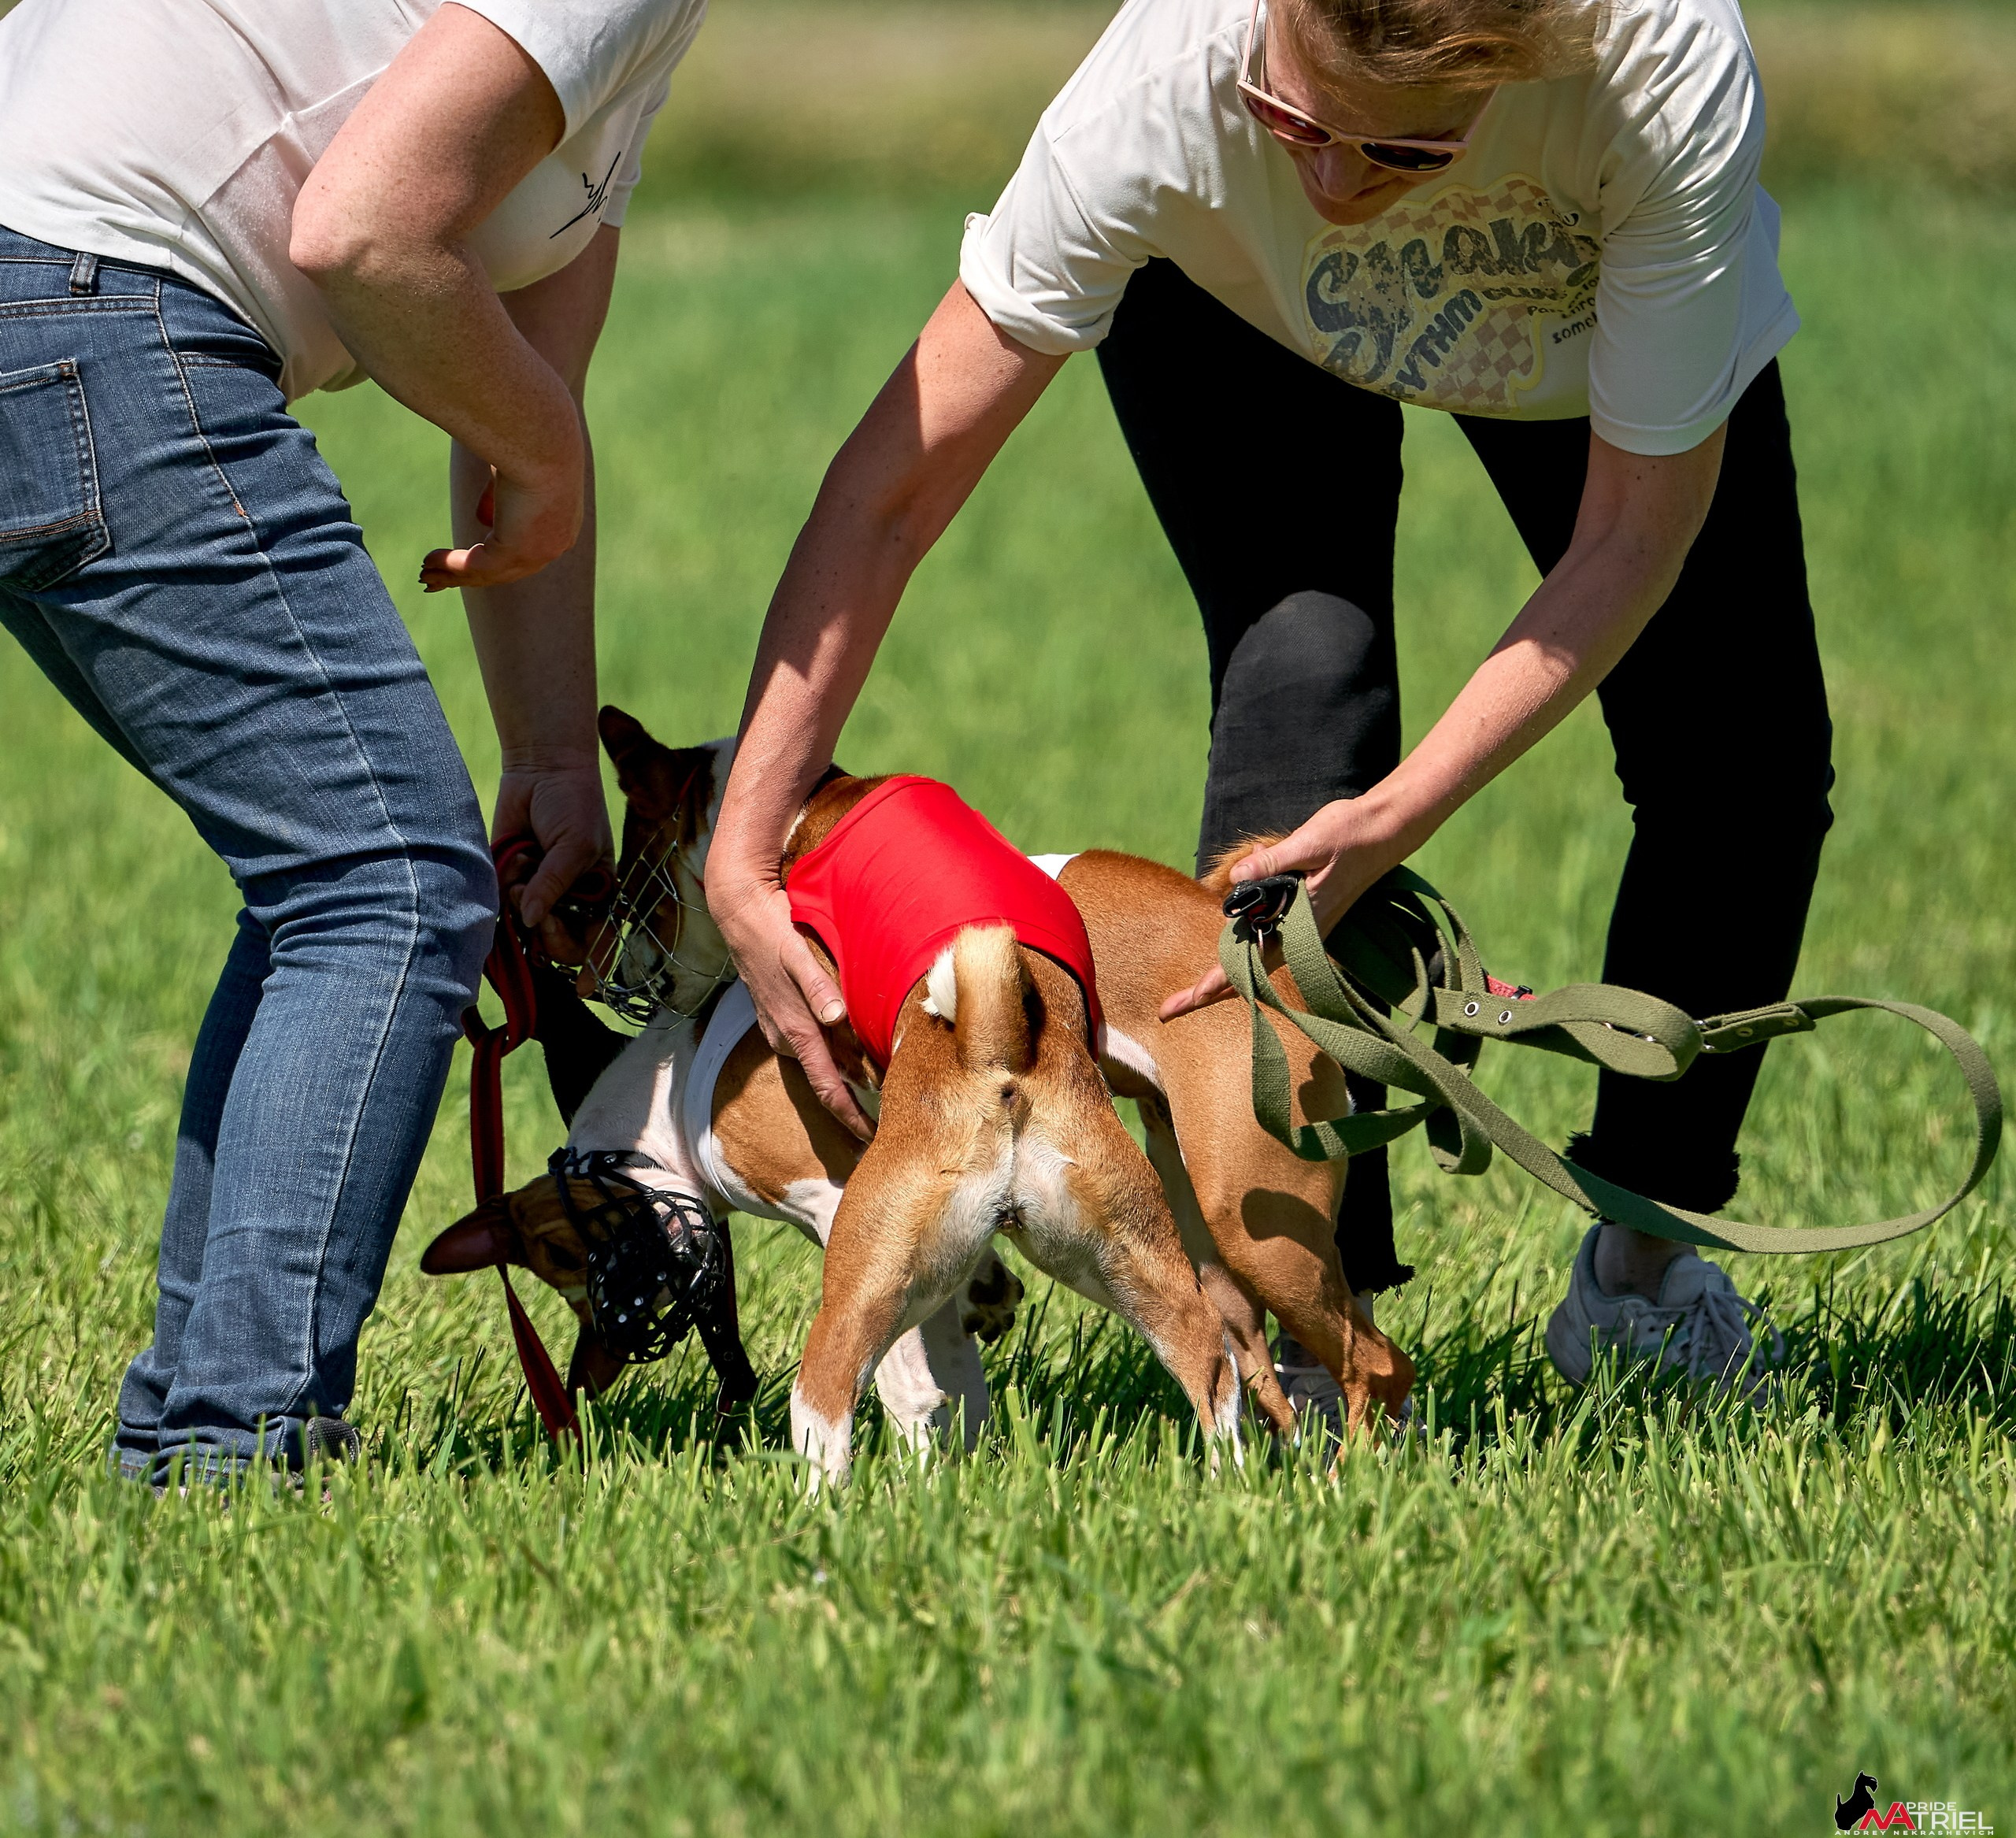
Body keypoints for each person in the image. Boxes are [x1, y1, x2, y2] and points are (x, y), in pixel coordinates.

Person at [706, 0, 1833, 1397]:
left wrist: (1402, 815)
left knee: (1746, 761)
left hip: (1557, 299)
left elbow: (1632, 540)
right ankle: (1300, 1337)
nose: (1338, 192)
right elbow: (893, 488)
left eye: (1401, 151)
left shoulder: (1656, 69)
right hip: (1231, 303)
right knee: (1304, 675)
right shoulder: (1173, 78)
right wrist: (746, 843)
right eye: (1300, 122)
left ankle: (1645, 1278)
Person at [0, 0, 702, 1484]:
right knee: (384, 884)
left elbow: (520, 394)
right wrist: (553, 454)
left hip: (48, 308)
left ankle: (195, 1428)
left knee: (339, 872)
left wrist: (552, 753)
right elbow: (369, 234)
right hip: (92, 309)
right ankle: (235, 1445)